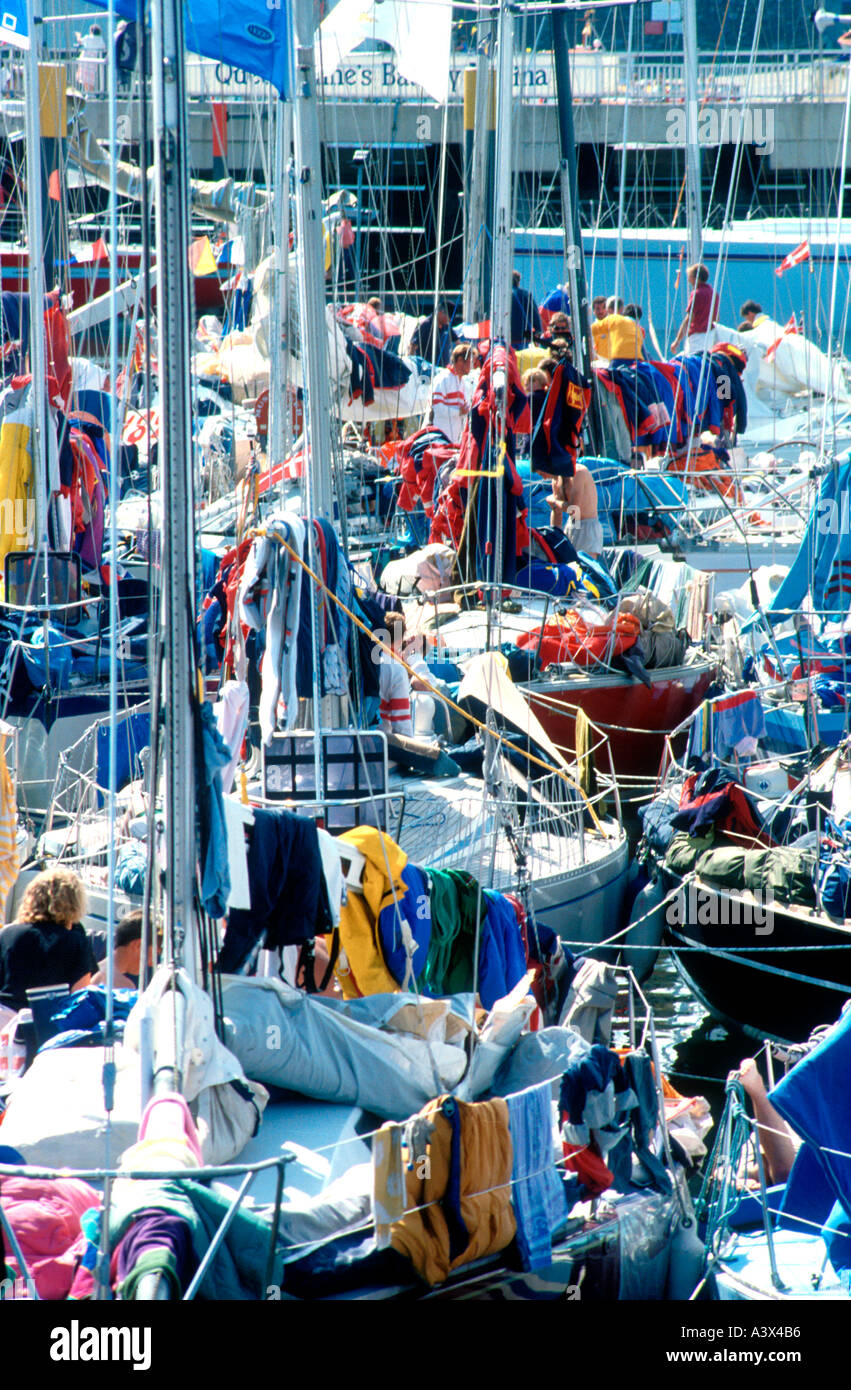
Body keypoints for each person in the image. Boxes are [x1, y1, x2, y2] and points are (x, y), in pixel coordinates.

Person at [0, 867, 95, 1012]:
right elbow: (80, 998)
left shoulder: (6, 934)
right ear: (75, 904)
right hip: (47, 1024)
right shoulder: (76, 942)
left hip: (5, 1022)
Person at [548, 464, 603, 558]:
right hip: (572, 525)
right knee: (569, 568)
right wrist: (555, 536)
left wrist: (554, 502)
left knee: (585, 568)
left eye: (542, 473)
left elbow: (574, 509)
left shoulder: (579, 472)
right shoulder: (556, 479)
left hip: (587, 527)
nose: (544, 478)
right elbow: (556, 510)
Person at [91, 909, 151, 991]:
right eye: (153, 953)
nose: (151, 963)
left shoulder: (91, 971)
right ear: (138, 945)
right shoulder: (122, 985)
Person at [429, 343, 474, 445]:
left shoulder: (462, 382)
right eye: (469, 362)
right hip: (440, 438)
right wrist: (459, 411)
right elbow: (437, 407)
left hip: (454, 439)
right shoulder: (443, 378)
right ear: (460, 361)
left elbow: (462, 409)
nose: (471, 366)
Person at [670, 263, 719, 355]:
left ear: (696, 278)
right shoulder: (714, 293)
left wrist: (677, 341)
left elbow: (689, 319)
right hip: (710, 335)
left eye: (689, 276)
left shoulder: (697, 294)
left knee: (692, 363)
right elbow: (716, 318)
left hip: (697, 336)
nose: (688, 278)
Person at [378, 613, 414, 738]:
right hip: (381, 743)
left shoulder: (367, 661)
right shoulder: (396, 670)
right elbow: (402, 726)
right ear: (399, 640)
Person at [591, 295, 644, 362]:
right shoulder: (594, 328)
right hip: (602, 364)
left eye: (603, 308)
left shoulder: (615, 322)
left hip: (616, 360)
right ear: (593, 311)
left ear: (607, 309)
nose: (601, 311)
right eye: (598, 309)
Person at [408, 302, 457, 367]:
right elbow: (413, 345)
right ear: (440, 312)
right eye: (449, 317)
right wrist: (412, 365)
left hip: (442, 369)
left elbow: (458, 342)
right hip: (426, 370)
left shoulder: (447, 326)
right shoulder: (425, 325)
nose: (450, 320)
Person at [510, 269, 542, 349]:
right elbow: (535, 315)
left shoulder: (501, 296)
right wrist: (538, 331)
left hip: (506, 337)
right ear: (518, 281)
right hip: (522, 337)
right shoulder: (526, 294)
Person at [75, 23, 105, 95]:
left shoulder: (87, 37)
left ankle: (88, 93)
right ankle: (91, 93)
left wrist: (78, 35)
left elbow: (79, 41)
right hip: (93, 60)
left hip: (85, 59)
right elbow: (103, 48)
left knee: (84, 78)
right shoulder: (100, 39)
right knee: (91, 78)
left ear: (91, 31)